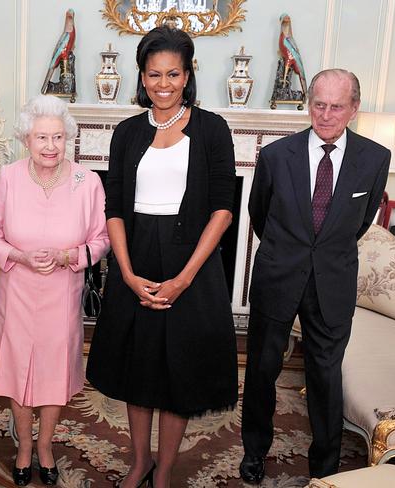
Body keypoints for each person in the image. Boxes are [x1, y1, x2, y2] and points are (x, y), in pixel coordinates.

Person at [86, 26, 238, 488]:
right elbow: (114, 207)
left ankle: (166, 468)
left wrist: (185, 279)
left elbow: (223, 209)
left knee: (179, 375)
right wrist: (127, 275)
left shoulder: (213, 129)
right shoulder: (127, 132)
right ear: (142, 76)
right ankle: (140, 462)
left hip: (191, 263)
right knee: (139, 369)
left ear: (188, 74)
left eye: (174, 73)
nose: (164, 83)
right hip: (137, 260)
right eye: (154, 74)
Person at [239, 69, 391, 483]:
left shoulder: (376, 159)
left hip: (333, 281)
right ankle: (254, 451)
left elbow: (359, 223)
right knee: (262, 369)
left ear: (354, 109)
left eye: (336, 106)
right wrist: (290, 251)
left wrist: (322, 252)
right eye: (318, 104)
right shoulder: (275, 155)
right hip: (277, 276)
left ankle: (324, 466)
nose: (325, 115)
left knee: (326, 376)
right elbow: (260, 215)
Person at [0, 94, 109, 487]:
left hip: (62, 295)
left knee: (54, 372)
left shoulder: (89, 182)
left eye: (57, 138)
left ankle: (46, 446)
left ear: (67, 138)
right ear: (26, 140)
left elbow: (101, 240)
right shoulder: (9, 177)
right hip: (17, 290)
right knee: (18, 370)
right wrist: (18, 254)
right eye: (41, 138)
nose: (50, 147)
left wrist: (71, 255)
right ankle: (22, 449)